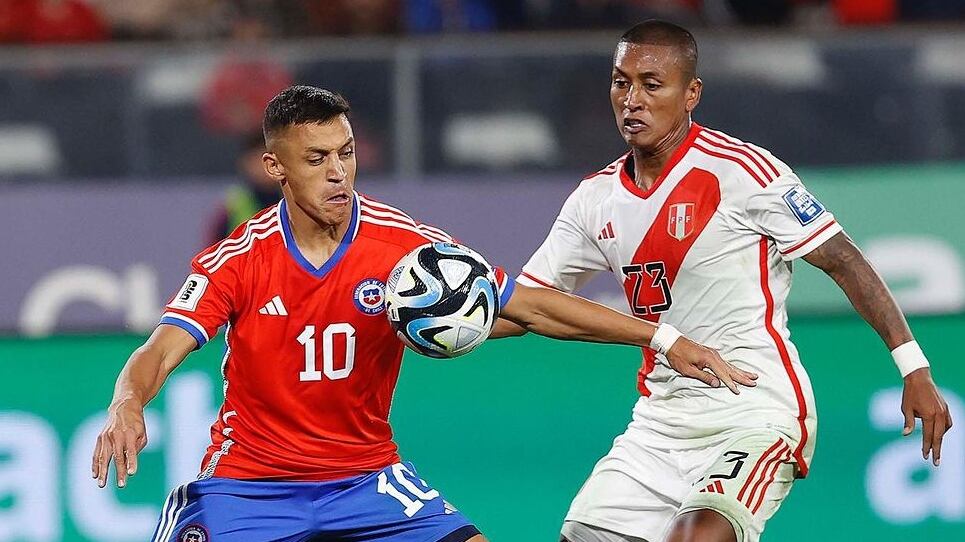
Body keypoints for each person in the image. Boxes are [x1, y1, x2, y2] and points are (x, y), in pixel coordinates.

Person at [90, 85, 756, 542]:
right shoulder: (240, 257)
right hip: (250, 486)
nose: (337, 174)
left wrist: (662, 337)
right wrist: (127, 401)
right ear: (274, 166)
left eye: (345, 154)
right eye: (315, 159)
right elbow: (159, 351)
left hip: (367, 479)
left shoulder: (403, 246)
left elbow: (527, 306)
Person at [492, 20, 953, 542]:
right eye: (621, 83)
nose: (632, 100)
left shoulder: (743, 171)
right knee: (581, 534)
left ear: (692, 94)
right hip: (659, 425)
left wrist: (913, 366)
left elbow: (843, 260)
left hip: (754, 413)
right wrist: (439, 316)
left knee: (695, 538)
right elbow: (526, 306)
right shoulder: (593, 200)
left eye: (651, 84)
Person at [206, 132, 281, 246]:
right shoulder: (233, 206)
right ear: (244, 163)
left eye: (270, 159)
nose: (264, 167)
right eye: (256, 161)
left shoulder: (296, 201)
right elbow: (213, 250)